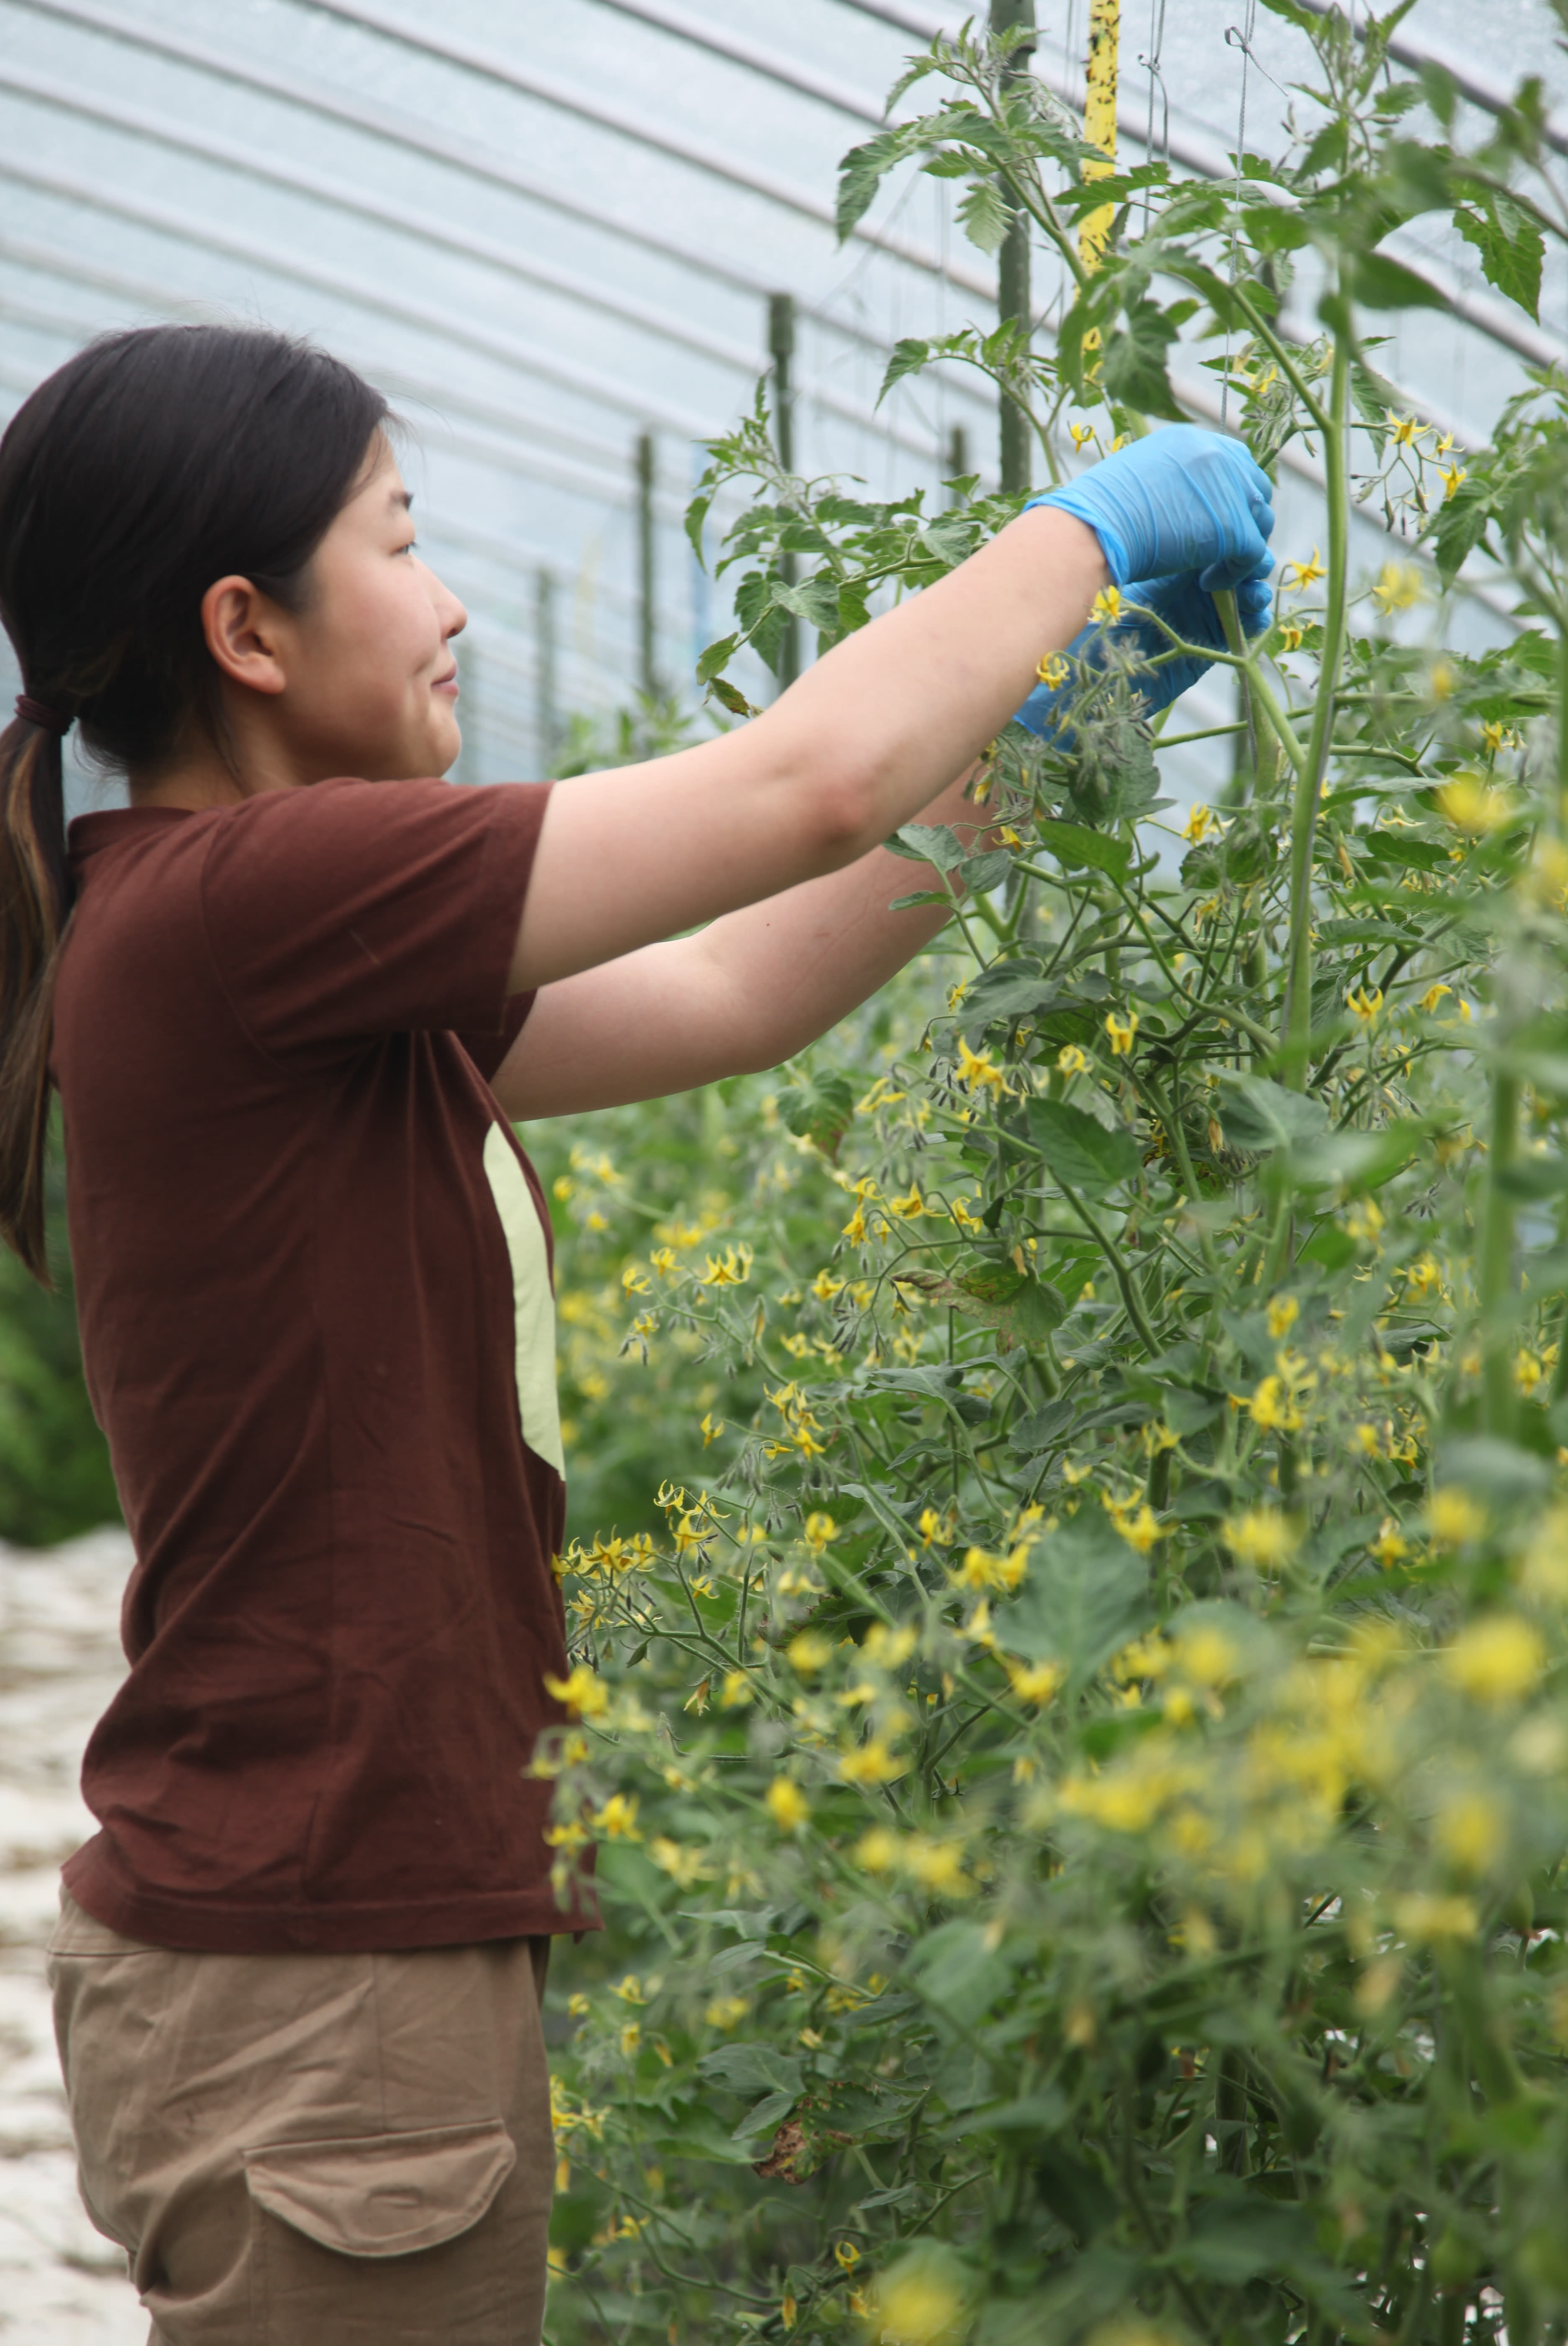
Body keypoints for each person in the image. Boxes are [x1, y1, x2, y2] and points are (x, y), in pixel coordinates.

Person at [0, 324, 1273, 2345]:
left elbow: (730, 989)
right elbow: (809, 782)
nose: (453, 600)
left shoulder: (279, 946)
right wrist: (1093, 530)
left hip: (337, 1938)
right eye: (401, 542)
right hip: (322, 1971)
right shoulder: (255, 900)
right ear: (245, 629)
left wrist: (1067, 736)